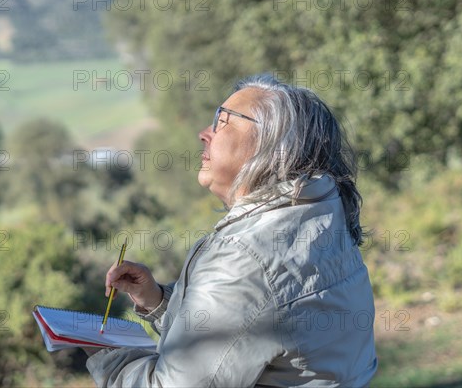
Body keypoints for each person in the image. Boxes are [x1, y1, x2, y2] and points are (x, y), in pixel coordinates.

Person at [83, 74, 378, 387]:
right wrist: (157, 300)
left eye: (222, 121)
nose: (203, 133)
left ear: (275, 144)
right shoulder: (317, 216)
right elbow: (249, 323)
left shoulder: (245, 256)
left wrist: (106, 353)